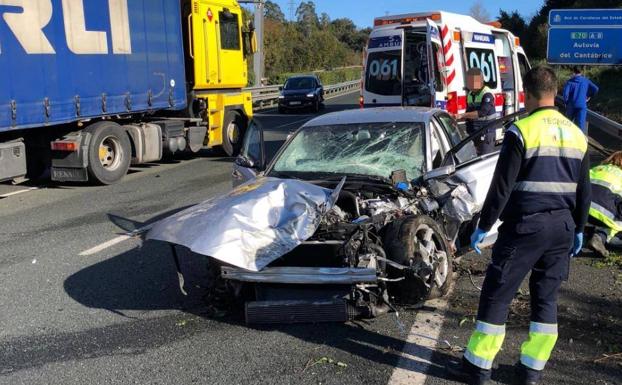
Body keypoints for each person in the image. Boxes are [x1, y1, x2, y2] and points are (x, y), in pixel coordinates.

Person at [447, 66, 590, 385]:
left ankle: (478, 367)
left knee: (498, 293)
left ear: (527, 93)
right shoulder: (576, 134)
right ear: (555, 93)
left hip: (525, 227)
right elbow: (584, 189)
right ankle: (530, 371)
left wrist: (483, 225)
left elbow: (502, 186)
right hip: (562, 230)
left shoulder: (521, 130)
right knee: (546, 299)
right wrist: (579, 228)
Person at [587, 151, 622, 257]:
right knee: (618, 218)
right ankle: (601, 236)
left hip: (582, 209)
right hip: (603, 212)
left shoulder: (597, 168)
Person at [456, 68, 498, 154]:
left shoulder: (487, 94)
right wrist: (456, 118)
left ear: (481, 80)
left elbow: (482, 112)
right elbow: (468, 113)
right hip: (473, 133)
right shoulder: (470, 95)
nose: (471, 84)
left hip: (486, 134)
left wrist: (462, 115)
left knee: (484, 162)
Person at [563, 66, 599, 134]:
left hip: (571, 105)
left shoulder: (570, 82)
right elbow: (596, 89)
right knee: (580, 126)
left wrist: (566, 103)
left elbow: (565, 94)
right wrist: (588, 96)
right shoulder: (586, 80)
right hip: (582, 105)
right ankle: (580, 141)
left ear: (573, 72)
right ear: (581, 72)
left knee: (567, 124)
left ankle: (567, 140)